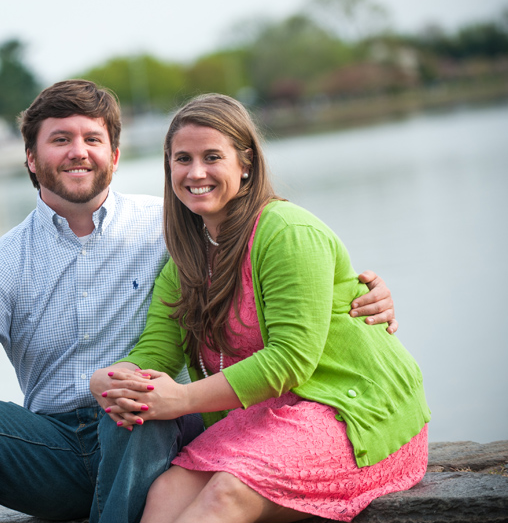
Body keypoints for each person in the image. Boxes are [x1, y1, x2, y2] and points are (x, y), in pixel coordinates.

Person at [0, 80, 396, 523]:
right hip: (53, 447)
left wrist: (362, 291)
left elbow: (290, 258)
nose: (79, 152)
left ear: (114, 156)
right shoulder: (4, 262)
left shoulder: (175, 225)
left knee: (137, 403)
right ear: (31, 158)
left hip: (150, 435)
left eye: (92, 140)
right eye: (60, 140)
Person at [92, 93, 429, 523]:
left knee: (227, 493)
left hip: (354, 412)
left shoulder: (286, 232)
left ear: (245, 163)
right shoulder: (185, 262)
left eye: (212, 157)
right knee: (165, 494)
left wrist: (182, 399)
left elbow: (291, 358)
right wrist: (112, 379)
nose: (196, 172)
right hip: (269, 416)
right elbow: (157, 352)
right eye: (182, 159)